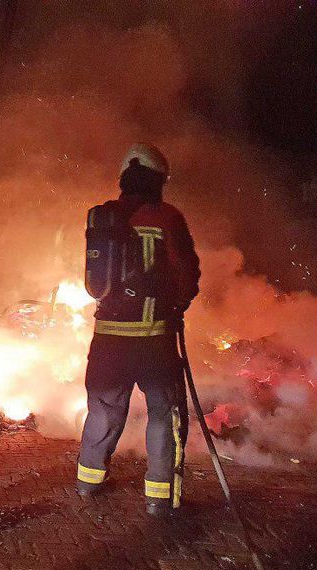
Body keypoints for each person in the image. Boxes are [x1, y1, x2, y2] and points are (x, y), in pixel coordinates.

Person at [77, 143, 201, 519]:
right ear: (157, 180)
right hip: (153, 340)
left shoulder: (103, 217)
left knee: (103, 409)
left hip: (106, 339)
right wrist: (177, 304)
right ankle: (159, 500)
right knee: (165, 414)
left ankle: (88, 482)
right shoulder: (166, 218)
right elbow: (186, 275)